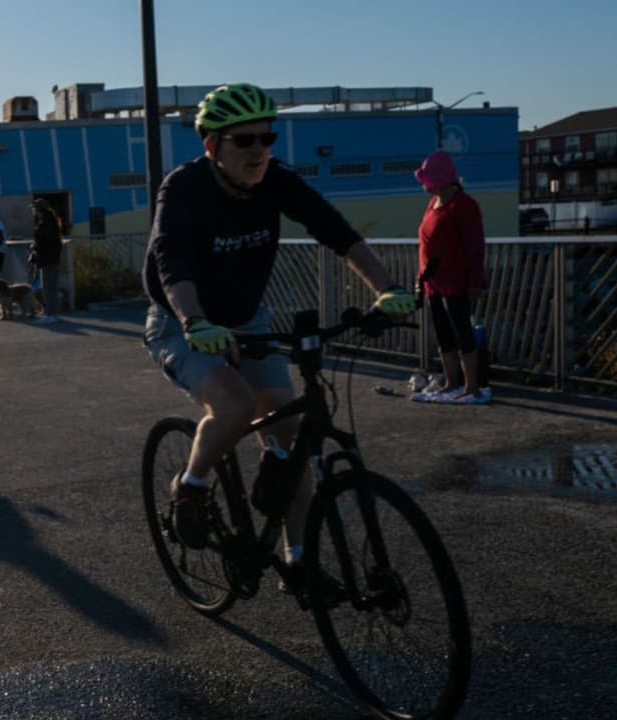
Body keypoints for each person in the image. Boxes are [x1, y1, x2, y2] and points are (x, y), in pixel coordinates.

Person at [142, 83, 416, 590]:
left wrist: (388, 288)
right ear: (212, 146)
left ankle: (299, 560)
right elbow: (171, 259)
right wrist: (194, 321)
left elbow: (337, 232)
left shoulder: (276, 181)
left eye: (267, 138)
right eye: (244, 141)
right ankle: (193, 484)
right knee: (234, 404)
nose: (258, 151)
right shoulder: (183, 188)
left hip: (249, 319)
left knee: (290, 434)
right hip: (183, 322)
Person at [412, 150, 488, 404]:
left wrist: (474, 284)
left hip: (456, 280)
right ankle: (451, 381)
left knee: (462, 332)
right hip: (433, 281)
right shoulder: (431, 204)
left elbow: (475, 248)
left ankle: (472, 386)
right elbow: (425, 244)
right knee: (443, 333)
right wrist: (420, 279)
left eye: (428, 177)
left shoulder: (464, 205)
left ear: (443, 179)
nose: (424, 182)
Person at [30, 199, 63, 324]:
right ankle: (53, 312)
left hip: (48, 258)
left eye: (35, 208)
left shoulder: (46, 222)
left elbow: (44, 241)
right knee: (51, 286)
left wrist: (34, 247)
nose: (33, 211)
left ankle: (51, 314)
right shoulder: (50, 220)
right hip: (51, 257)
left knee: (48, 287)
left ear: (39, 209)